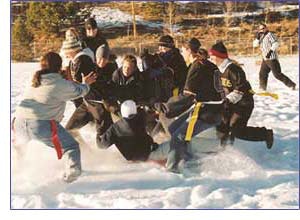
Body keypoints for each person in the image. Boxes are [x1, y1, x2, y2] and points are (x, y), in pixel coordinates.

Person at [13, 52, 97, 183]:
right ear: (59, 65)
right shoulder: (59, 83)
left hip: (18, 121)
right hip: (40, 124)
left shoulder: (35, 79)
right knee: (71, 146)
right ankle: (72, 177)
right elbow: (79, 92)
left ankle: (16, 172)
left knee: (20, 146)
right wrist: (86, 83)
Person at [156, 38, 225, 173]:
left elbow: (188, 96)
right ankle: (185, 157)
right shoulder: (207, 64)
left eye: (183, 50)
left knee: (178, 136)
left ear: (189, 50)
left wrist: (165, 107)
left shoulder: (197, 67)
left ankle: (172, 170)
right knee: (173, 128)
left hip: (207, 111)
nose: (182, 53)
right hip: (209, 108)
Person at [209, 41, 274, 149]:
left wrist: (227, 100)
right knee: (222, 126)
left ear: (219, 57)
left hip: (244, 104)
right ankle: (224, 150)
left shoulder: (234, 70)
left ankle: (265, 134)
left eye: (212, 57)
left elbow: (240, 89)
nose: (210, 59)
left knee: (236, 130)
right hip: (230, 104)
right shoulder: (218, 69)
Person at [65, 44, 118, 147]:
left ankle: (119, 155)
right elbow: (80, 84)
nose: (101, 62)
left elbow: (115, 87)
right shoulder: (90, 66)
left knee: (102, 142)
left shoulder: (112, 68)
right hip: (87, 105)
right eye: (99, 59)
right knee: (69, 130)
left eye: (104, 59)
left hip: (102, 107)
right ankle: (86, 152)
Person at [99, 100, 169, 162]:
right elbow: (149, 114)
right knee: (176, 142)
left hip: (133, 158)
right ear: (134, 110)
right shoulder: (140, 118)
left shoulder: (114, 128)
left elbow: (102, 145)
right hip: (150, 154)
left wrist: (99, 132)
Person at [253, 23, 296, 90]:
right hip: (265, 59)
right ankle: (262, 88)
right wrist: (257, 38)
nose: (262, 30)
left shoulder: (270, 35)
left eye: (263, 28)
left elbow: (276, 43)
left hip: (272, 58)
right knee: (262, 73)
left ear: (266, 28)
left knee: (277, 74)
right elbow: (254, 45)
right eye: (260, 29)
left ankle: (291, 85)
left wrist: (270, 52)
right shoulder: (260, 36)